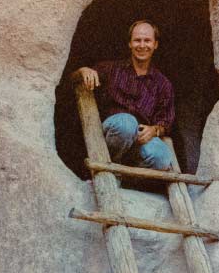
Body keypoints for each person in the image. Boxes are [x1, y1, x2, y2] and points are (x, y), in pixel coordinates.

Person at [71, 20, 175, 171]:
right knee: (126, 124)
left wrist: (154, 130)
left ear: (155, 44)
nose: (142, 45)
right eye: (137, 40)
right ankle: (112, 168)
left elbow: (166, 121)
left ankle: (127, 175)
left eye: (147, 40)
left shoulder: (163, 84)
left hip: (139, 140)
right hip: (114, 133)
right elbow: (73, 80)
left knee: (162, 157)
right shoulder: (110, 69)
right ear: (130, 44)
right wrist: (83, 71)